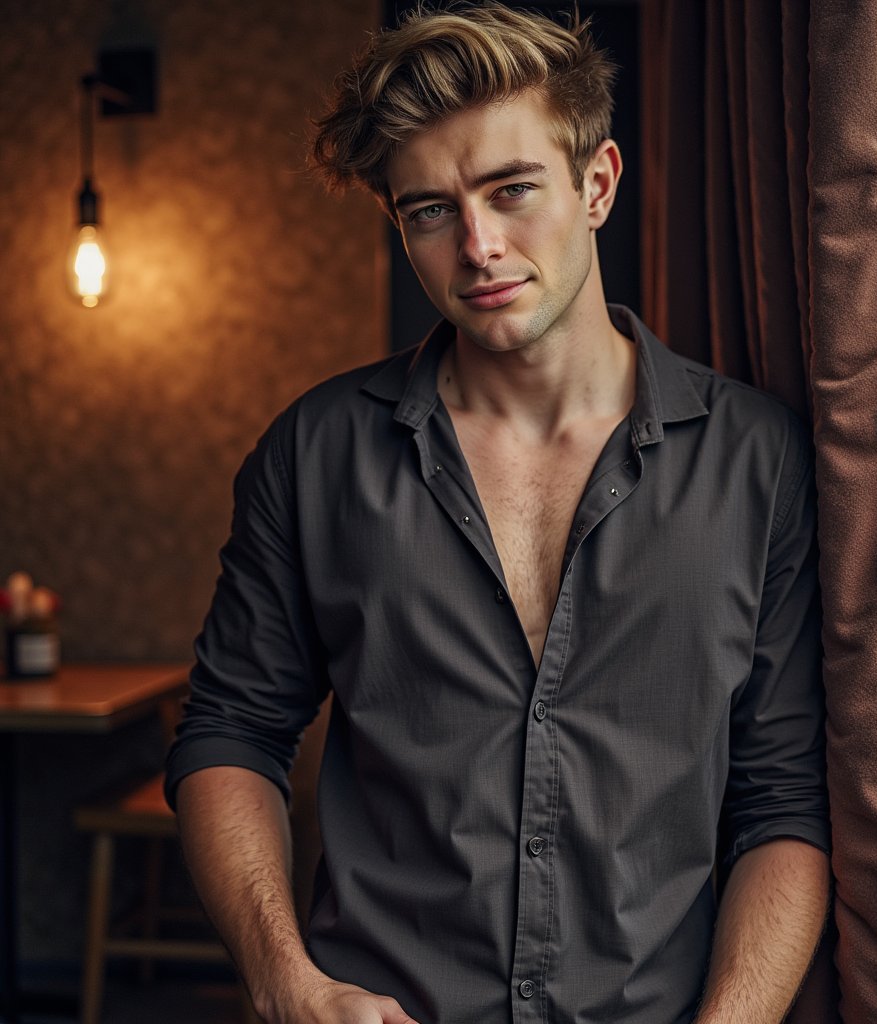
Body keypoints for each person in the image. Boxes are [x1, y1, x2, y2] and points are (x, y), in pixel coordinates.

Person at [166, 4, 831, 1023]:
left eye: (511, 191)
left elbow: (782, 800)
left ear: (596, 183)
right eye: (429, 211)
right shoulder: (315, 453)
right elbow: (229, 731)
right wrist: (287, 984)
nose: (477, 246)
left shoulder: (757, 461)